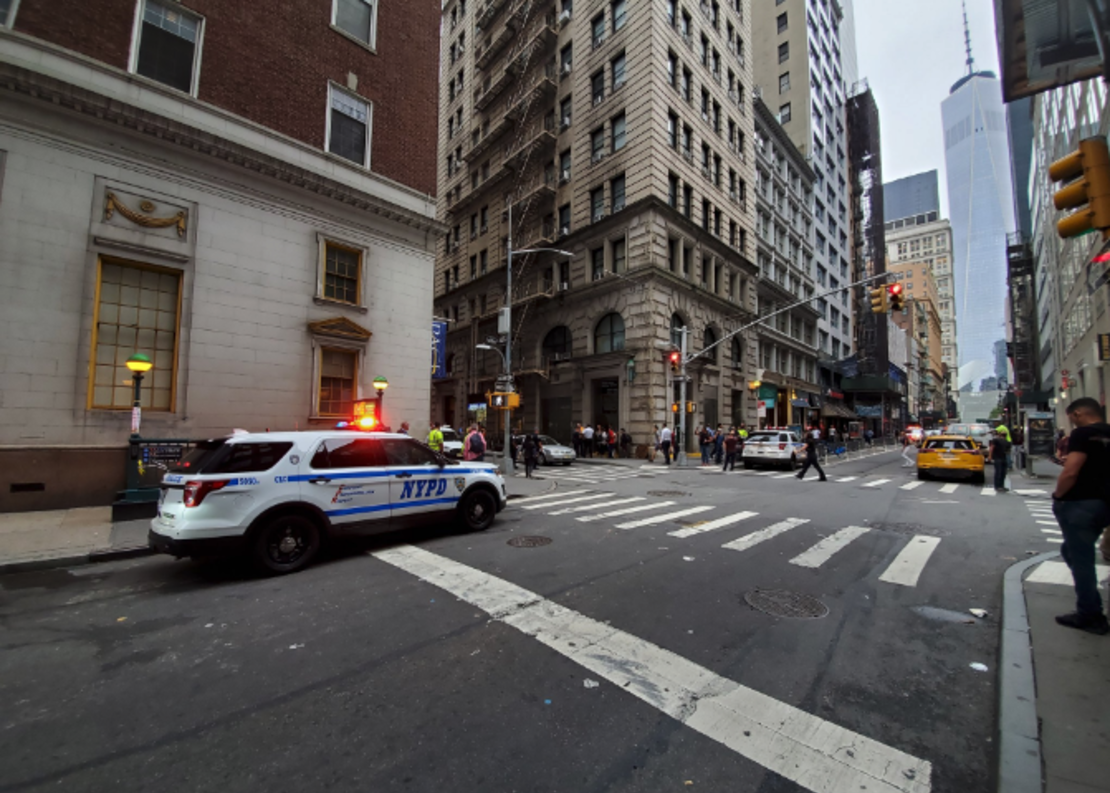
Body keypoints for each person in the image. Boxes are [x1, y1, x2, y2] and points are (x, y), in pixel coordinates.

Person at [1050, 397, 1110, 635]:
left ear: (1077, 415)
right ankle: (1090, 606)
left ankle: (1090, 613)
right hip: (1105, 503)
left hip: (1082, 503)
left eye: (1071, 417)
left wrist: (1058, 496)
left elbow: (1071, 470)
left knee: (1082, 558)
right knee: (1070, 551)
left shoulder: (1082, 434)